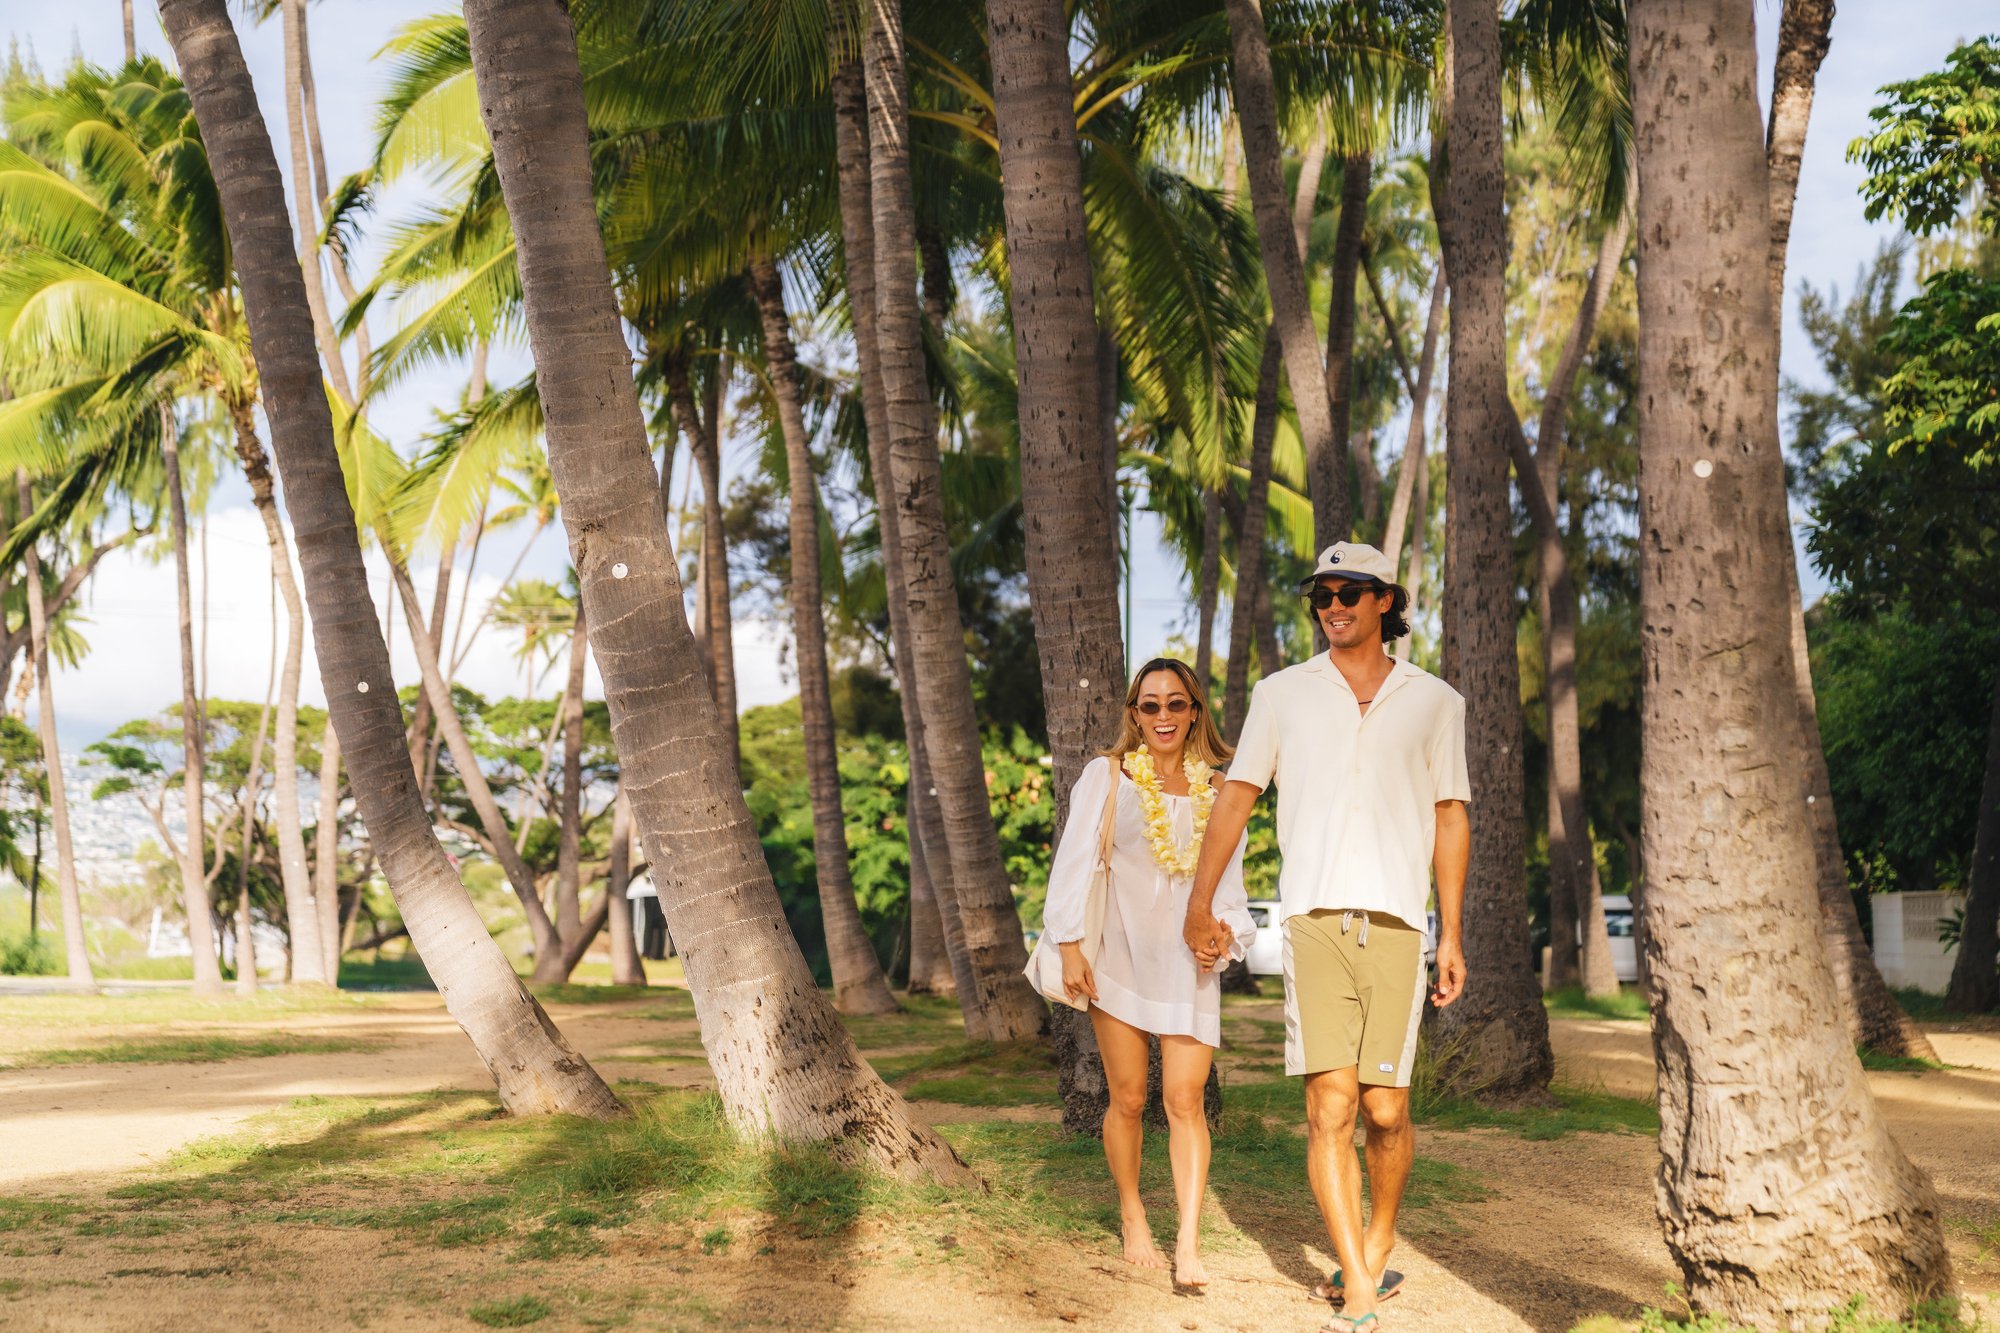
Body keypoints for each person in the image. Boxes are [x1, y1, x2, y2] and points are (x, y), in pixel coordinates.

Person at [1181, 542, 1470, 1333]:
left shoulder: (1435, 701)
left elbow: (1450, 814)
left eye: (1350, 591)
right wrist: (1200, 901)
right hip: (1311, 921)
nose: (1333, 605)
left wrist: (1450, 931)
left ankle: (1379, 1237)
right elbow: (1237, 796)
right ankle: (1361, 1287)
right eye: (1322, 594)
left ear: (1385, 601)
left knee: (1386, 1108)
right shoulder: (1281, 694)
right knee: (1330, 1106)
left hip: (1400, 924)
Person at [1042, 657, 1255, 1288]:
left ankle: (1188, 1239)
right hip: (1119, 956)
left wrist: (1226, 936)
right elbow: (1072, 864)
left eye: (1176, 703)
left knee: (1185, 1100)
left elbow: (1231, 888)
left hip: (1188, 964)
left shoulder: (1221, 789)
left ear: (1195, 712)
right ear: (1134, 714)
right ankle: (1133, 1215)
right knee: (1130, 1098)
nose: (1163, 715)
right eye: (1150, 705)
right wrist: (1070, 946)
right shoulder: (1107, 777)